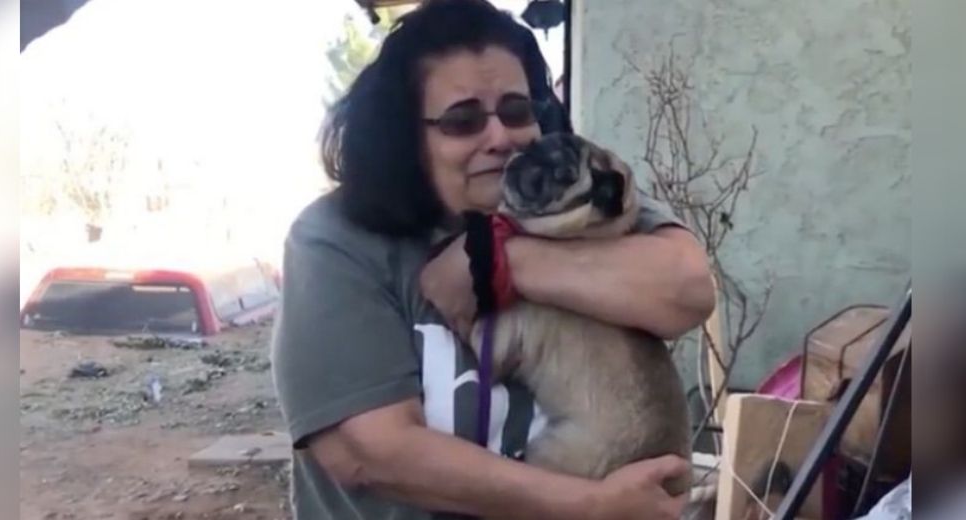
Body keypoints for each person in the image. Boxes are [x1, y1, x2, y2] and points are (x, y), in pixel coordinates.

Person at [271, 1, 715, 518]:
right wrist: (587, 506)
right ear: (406, 137)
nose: (500, 137)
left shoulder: (567, 197)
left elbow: (687, 288)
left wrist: (500, 260)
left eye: (517, 111)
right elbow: (374, 453)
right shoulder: (336, 240)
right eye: (462, 121)